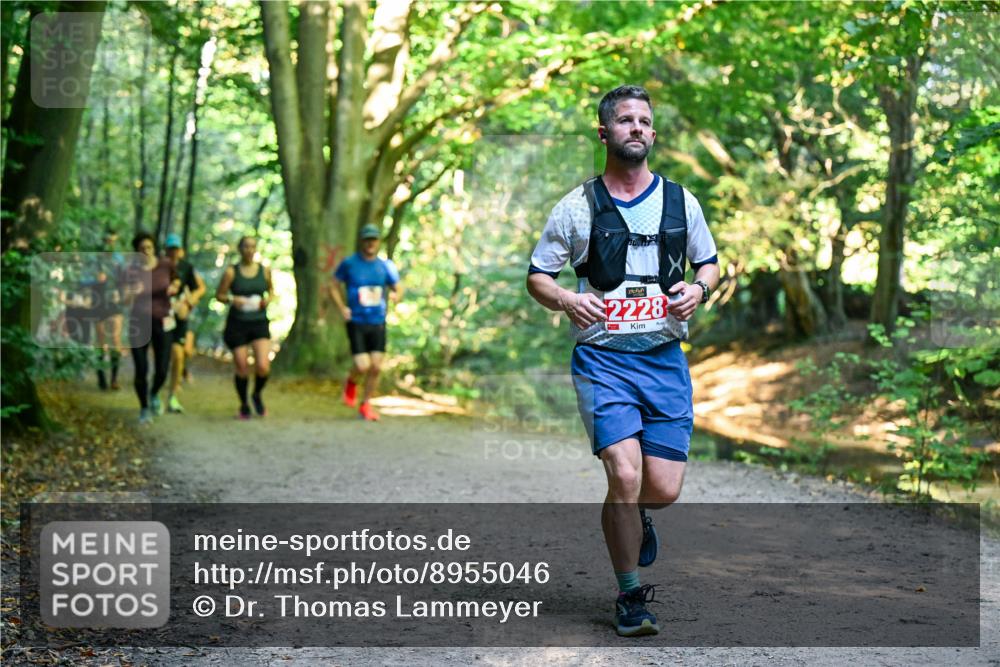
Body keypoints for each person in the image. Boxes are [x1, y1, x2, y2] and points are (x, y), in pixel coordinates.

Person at [526, 85, 720, 637]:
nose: (636, 127)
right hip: (603, 361)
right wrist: (566, 297)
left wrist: (698, 292)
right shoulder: (577, 206)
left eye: (644, 121)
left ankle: (637, 515)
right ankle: (630, 595)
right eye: (625, 120)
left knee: (661, 488)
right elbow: (539, 275)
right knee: (625, 473)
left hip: (664, 359)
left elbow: (708, 264)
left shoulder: (682, 202)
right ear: (604, 132)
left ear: (653, 134)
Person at [329, 224, 401, 422]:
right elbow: (333, 286)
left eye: (374, 239)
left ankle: (366, 404)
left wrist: (396, 296)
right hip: (357, 321)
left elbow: (398, 287)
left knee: (376, 367)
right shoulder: (349, 264)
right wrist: (342, 307)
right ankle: (351, 382)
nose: (370, 243)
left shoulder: (385, 266)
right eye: (367, 239)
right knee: (362, 366)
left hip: (377, 321)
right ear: (361, 241)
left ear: (378, 242)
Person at [122, 231, 179, 424]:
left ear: (154, 247)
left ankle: (154, 393)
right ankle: (144, 408)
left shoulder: (166, 264)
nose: (146, 251)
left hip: (163, 321)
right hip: (139, 322)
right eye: (142, 248)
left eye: (149, 247)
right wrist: (133, 292)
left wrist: (175, 287)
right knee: (141, 369)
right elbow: (123, 298)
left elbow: (177, 279)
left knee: (162, 369)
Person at [215, 235, 273, 419]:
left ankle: (256, 394)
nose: (249, 250)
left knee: (263, 366)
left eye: (252, 247)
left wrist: (267, 300)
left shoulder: (264, 271)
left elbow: (271, 291)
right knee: (242, 366)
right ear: (240, 249)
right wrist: (233, 300)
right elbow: (220, 295)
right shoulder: (232, 272)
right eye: (246, 246)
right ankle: (243, 404)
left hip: (258, 322)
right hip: (237, 324)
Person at [163, 233, 206, 413]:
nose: (174, 252)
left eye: (176, 249)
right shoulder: (158, 267)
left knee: (180, 354)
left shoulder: (186, 267)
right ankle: (155, 394)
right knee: (163, 358)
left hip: (179, 318)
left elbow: (201, 288)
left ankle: (173, 395)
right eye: (170, 249)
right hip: (162, 317)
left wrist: (188, 303)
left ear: (181, 251)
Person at [90, 230, 126, 391]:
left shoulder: (119, 260)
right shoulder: (96, 259)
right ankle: (101, 377)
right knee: (100, 340)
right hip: (98, 303)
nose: (110, 243)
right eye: (107, 240)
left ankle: (114, 379)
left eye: (112, 240)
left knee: (116, 340)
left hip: (114, 304)